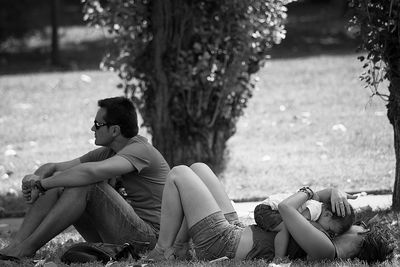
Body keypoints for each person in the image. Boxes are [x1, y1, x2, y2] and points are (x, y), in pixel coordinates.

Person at [0, 96, 170, 261]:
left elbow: (89, 174)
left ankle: (27, 248)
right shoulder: (110, 151)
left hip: (150, 239)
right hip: (123, 233)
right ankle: (17, 244)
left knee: (86, 184)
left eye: (97, 124)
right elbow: (54, 168)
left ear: (114, 130)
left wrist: (43, 184)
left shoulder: (141, 150)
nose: (92, 129)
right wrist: (35, 178)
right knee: (67, 180)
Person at [144, 163, 393, 263]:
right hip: (236, 232)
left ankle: (162, 252)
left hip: (224, 244)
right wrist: (334, 191)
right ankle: (179, 249)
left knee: (179, 173)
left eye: (358, 226)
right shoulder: (326, 236)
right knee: (199, 168)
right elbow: (316, 204)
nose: (353, 224)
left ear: (363, 236)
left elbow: (286, 208)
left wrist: (308, 190)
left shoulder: (327, 249)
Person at [254, 193, 355, 259]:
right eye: (328, 229)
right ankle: (278, 259)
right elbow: (301, 219)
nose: (326, 232)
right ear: (327, 214)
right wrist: (318, 228)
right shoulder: (316, 209)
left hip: (272, 211)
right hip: (266, 210)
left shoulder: (319, 211)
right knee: (284, 227)